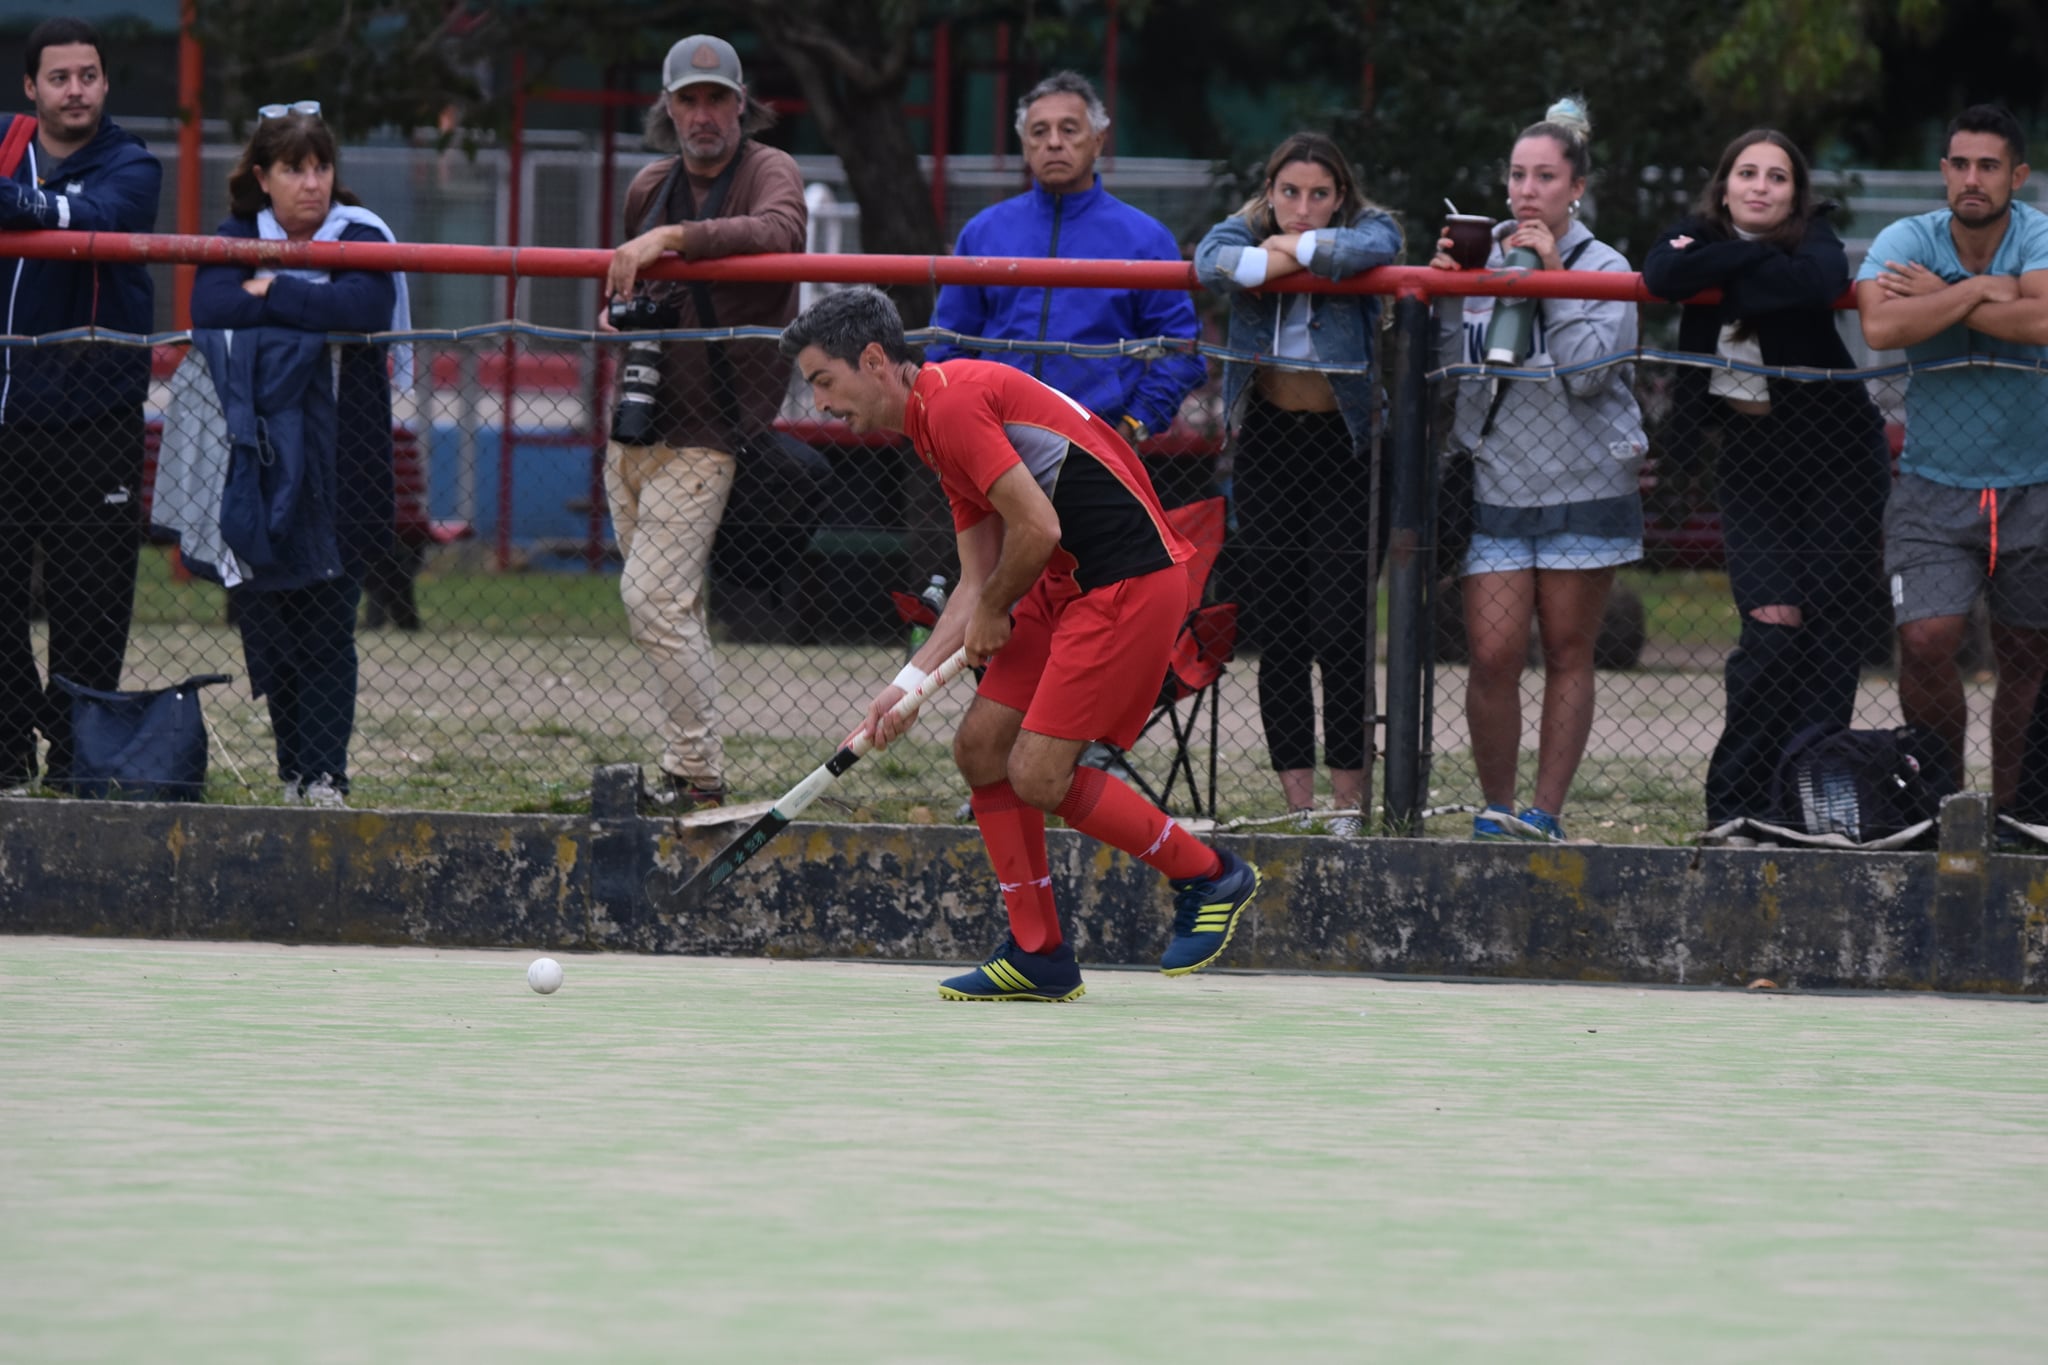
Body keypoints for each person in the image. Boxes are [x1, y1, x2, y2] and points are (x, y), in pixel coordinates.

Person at [779, 287, 1261, 1002]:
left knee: (1037, 773)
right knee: (979, 750)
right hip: (1062, 584)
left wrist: (997, 609)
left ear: (874, 360)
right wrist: (907, 686)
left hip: (1123, 583)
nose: (819, 404)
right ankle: (1039, 953)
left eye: (824, 381)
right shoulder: (932, 422)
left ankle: (1209, 873)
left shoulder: (949, 403)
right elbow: (976, 584)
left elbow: (1036, 529)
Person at [1644, 130, 1889, 830]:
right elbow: (1662, 276)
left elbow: (1817, 281)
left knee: (1829, 633)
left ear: (1795, 194)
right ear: (1723, 187)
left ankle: (1805, 803)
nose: (1760, 186)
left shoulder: (1814, 237)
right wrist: (1754, 253)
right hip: (1753, 460)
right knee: (1774, 627)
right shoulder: (1693, 234)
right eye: (1746, 174)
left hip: (1838, 455)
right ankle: (1736, 802)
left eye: (1776, 178)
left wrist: (1718, 269)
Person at [601, 33, 807, 815]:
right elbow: (628, 281)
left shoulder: (768, 169)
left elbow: (778, 231)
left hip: (713, 430)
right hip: (638, 420)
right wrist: (622, 308)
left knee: (652, 599)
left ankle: (699, 772)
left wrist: (672, 238)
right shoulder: (650, 185)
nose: (703, 114)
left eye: (717, 98)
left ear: (743, 104)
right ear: (667, 107)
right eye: (687, 99)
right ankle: (689, 770)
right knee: (667, 606)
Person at [1429, 97, 1645, 843]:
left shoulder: (1606, 266)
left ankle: (1542, 814)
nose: (1527, 191)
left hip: (1584, 484)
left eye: (1545, 177)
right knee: (1491, 654)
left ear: (1576, 187)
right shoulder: (1481, 249)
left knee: (1566, 650)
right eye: (1518, 175)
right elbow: (1444, 370)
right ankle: (1495, 805)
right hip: (1496, 482)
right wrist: (1446, 291)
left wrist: (1553, 280)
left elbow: (1590, 376)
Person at [189, 105, 406, 808]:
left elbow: (364, 306)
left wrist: (274, 286)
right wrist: (306, 297)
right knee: (274, 623)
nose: (311, 183)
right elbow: (213, 301)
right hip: (261, 462)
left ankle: (326, 777)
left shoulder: (364, 233)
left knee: (329, 620)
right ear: (262, 177)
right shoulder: (234, 238)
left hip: (346, 461)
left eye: (321, 167)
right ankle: (293, 771)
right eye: (293, 169)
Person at [1194, 132, 1401, 835]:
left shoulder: (1366, 225)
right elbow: (1209, 262)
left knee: (1341, 628)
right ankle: (1300, 806)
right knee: (1279, 627)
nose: (1303, 208)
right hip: (1270, 444)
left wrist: (1284, 256)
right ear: (1269, 192)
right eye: (1290, 194)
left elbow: (1375, 246)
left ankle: (1349, 806)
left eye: (1319, 195)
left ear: (1340, 194)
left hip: (1345, 448)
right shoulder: (1243, 225)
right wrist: (1270, 251)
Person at [1855, 104, 2048, 810]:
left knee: (2027, 655)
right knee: (1929, 639)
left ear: (2016, 176)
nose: (1972, 178)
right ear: (1944, 172)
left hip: (2037, 483)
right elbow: (1880, 321)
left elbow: (2045, 318)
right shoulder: (1909, 237)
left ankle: (2014, 816)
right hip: (1935, 484)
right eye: (1960, 164)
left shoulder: (2038, 233)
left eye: (1989, 166)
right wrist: (1977, 291)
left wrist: (1943, 301)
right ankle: (1944, 806)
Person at [0, 18, 162, 793]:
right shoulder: (4, 142)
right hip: (4, 418)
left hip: (93, 420)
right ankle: (6, 752)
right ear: (30, 88)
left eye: (88, 76)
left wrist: (25, 207)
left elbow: (105, 217)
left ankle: (75, 762)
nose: (76, 90)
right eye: (59, 78)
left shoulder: (130, 161)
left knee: (90, 606)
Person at [928, 71, 1205, 462]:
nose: (1053, 142)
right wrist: (969, 420)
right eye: (1039, 132)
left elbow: (1181, 349)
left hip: (1100, 445)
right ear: (1025, 147)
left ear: (1098, 141)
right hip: (995, 445)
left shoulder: (1146, 238)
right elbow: (947, 344)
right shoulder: (983, 232)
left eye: (1069, 129)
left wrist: (1132, 425)